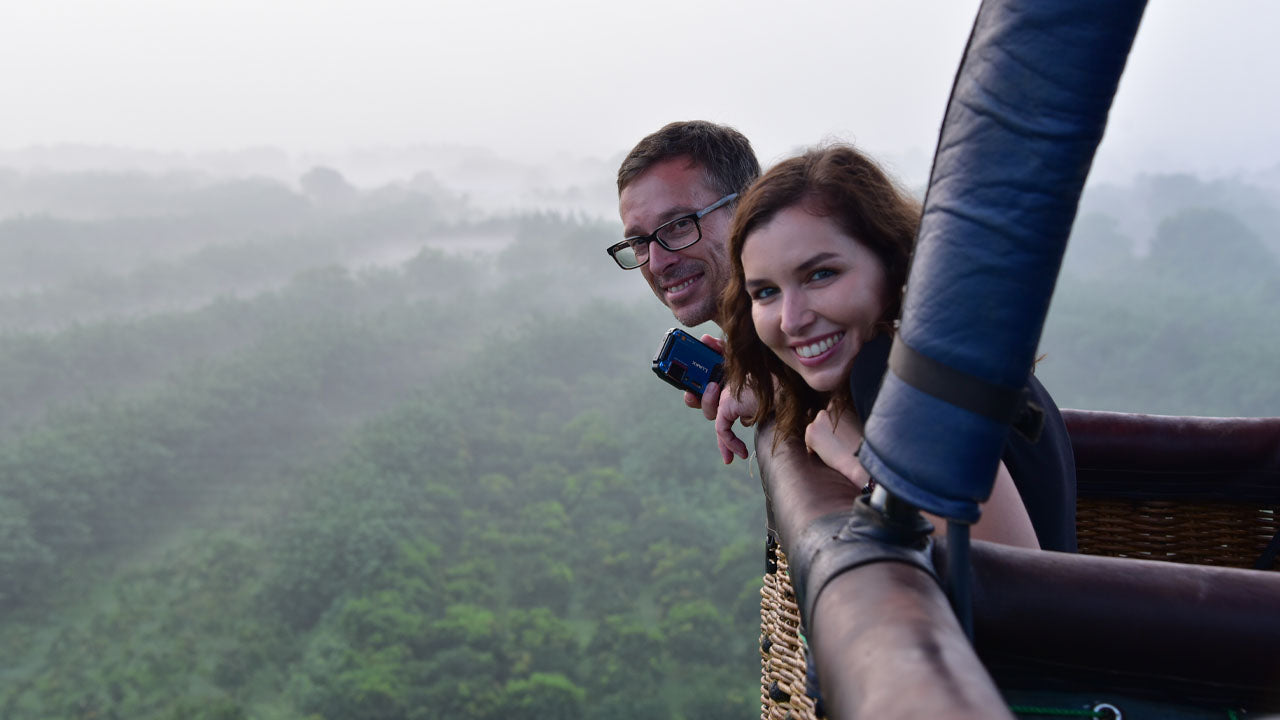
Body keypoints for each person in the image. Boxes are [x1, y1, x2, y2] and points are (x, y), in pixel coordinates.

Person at [718, 145, 1077, 551]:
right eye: (766, 292)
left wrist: (857, 462)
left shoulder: (895, 372)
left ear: (893, 263)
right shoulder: (940, 357)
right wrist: (774, 390)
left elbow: (1015, 569)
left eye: (821, 274)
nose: (790, 319)